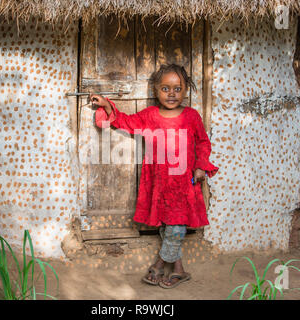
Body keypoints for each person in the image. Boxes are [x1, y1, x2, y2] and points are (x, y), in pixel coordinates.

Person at [91, 64, 219, 289]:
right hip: (160, 185)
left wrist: (201, 166)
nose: (171, 94)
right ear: (156, 90)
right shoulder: (149, 116)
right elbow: (126, 122)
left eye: (177, 89)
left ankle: (159, 264)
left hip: (184, 184)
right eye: (165, 88)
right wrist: (107, 106)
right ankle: (179, 270)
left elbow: (203, 142)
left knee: (177, 227)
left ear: (186, 90)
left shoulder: (191, 116)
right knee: (168, 226)